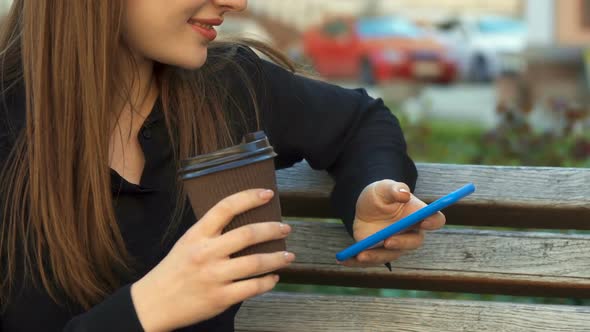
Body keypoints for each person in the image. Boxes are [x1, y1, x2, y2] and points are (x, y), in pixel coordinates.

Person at [0, 0, 446, 331]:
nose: (238, 2)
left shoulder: (228, 86)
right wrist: (143, 311)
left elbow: (360, 122)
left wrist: (370, 191)